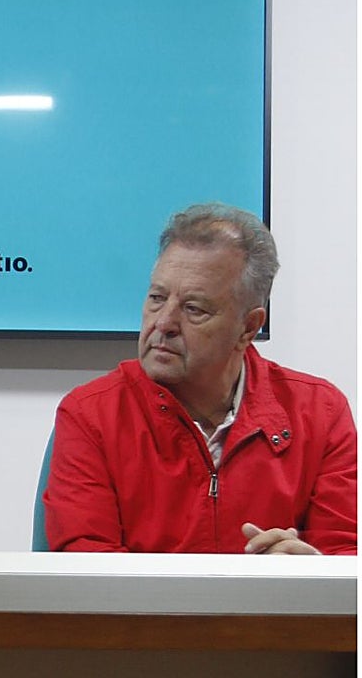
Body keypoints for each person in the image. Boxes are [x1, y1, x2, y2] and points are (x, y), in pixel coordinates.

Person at [44, 203, 356, 554]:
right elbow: (86, 572)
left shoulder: (320, 413)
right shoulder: (92, 414)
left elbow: (344, 560)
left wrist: (307, 574)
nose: (163, 323)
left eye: (194, 309)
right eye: (157, 298)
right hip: (143, 611)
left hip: (275, 611)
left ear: (248, 327)